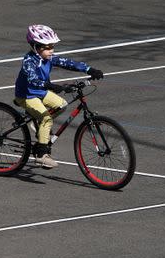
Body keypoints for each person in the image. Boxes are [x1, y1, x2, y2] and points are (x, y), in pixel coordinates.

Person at [15, 24, 104, 169]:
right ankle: (41, 155)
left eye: (52, 47)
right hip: (26, 96)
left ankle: (37, 124)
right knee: (46, 118)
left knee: (62, 104)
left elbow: (68, 63)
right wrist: (53, 86)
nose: (52, 51)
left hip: (40, 92)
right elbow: (33, 80)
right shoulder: (29, 61)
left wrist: (89, 69)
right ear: (35, 47)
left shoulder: (49, 58)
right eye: (48, 47)